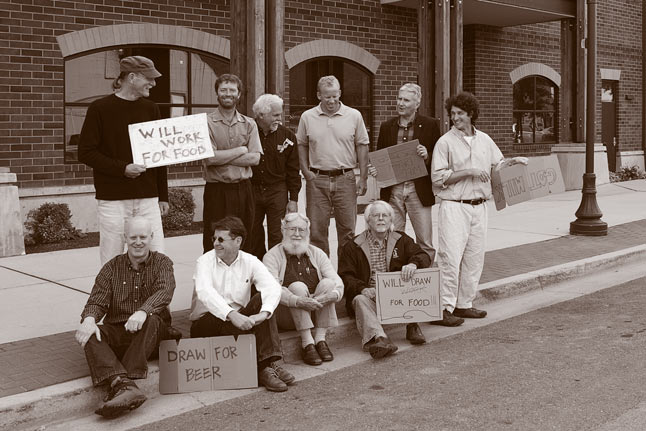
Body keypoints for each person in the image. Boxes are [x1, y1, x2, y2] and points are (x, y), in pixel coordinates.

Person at [430, 92, 528, 326]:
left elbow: (497, 166)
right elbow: (437, 178)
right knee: (450, 258)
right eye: (452, 114)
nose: (455, 118)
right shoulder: (445, 142)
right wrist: (469, 171)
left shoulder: (484, 139)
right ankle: (444, 307)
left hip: (479, 206)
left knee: (474, 258)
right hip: (455, 207)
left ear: (471, 114)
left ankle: (464, 304)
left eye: (460, 114)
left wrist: (513, 162)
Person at [75, 216, 177, 419]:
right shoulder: (111, 268)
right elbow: (97, 301)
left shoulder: (162, 263)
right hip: (121, 331)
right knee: (92, 333)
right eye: (133, 237)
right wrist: (89, 320)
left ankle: (123, 382)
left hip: (152, 333)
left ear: (151, 237)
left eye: (143, 236)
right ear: (125, 238)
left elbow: (165, 291)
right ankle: (123, 385)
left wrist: (143, 310)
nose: (138, 242)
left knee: (153, 318)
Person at [78, 56, 169, 265]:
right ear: (132, 77)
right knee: (112, 258)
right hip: (113, 199)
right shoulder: (99, 108)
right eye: (149, 78)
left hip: (148, 197)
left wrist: (162, 195)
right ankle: (112, 298)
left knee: (156, 256)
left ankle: (153, 298)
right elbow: (85, 152)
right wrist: (123, 168)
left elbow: (160, 155)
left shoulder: (151, 109)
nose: (153, 84)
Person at [189, 216, 294, 392]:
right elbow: (206, 293)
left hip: (238, 323)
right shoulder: (205, 261)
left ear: (238, 241)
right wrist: (231, 314)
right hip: (207, 323)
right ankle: (265, 367)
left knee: (263, 301)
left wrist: (263, 314)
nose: (216, 243)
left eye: (221, 239)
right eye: (214, 238)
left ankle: (268, 364)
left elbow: (273, 287)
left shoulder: (250, 260)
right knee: (229, 317)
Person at [338, 201, 432, 359]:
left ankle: (412, 326)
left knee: (413, 282)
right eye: (375, 215)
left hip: (396, 296)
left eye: (385, 215)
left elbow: (424, 256)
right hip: (370, 296)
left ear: (391, 220)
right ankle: (380, 338)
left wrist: (413, 263)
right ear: (368, 221)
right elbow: (345, 276)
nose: (380, 219)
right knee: (360, 300)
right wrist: (362, 288)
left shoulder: (401, 239)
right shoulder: (353, 245)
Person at [296, 75, 370, 257]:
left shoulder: (354, 116)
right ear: (318, 95)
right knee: (317, 232)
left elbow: (362, 146)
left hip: (345, 178)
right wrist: (306, 171)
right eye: (327, 96)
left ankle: (346, 276)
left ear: (340, 93)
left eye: (334, 95)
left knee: (347, 232)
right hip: (317, 180)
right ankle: (323, 276)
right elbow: (301, 145)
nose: (331, 100)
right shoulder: (307, 117)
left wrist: (363, 178)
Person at [263, 213, 344, 366]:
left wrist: (332, 295)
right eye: (292, 229)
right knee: (297, 287)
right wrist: (298, 301)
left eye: (302, 230)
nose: (297, 234)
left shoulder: (317, 253)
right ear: (283, 230)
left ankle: (320, 340)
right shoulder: (271, 257)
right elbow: (272, 289)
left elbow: (337, 281)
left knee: (328, 284)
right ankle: (307, 343)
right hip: (287, 315)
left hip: (315, 313)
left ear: (307, 232)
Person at [371, 83, 440, 259]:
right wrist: (376, 169)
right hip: (393, 189)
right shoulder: (387, 126)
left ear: (417, 104)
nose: (401, 103)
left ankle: (425, 279)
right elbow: (380, 155)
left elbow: (439, 155)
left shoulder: (431, 125)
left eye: (406, 100)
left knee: (424, 240)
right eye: (399, 99)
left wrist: (427, 155)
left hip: (418, 189)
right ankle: (394, 279)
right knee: (392, 237)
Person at [202, 74, 262, 254]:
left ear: (239, 94)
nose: (227, 94)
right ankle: (213, 280)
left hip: (243, 190)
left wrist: (220, 156)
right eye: (223, 90)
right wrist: (241, 150)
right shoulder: (205, 123)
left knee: (244, 238)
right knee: (214, 238)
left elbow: (255, 159)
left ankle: (242, 281)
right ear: (217, 93)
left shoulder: (249, 124)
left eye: (232, 90)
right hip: (216, 191)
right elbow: (209, 159)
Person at [249, 94, 301, 259]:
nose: (280, 119)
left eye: (280, 114)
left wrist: (293, 199)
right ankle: (257, 273)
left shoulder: (288, 137)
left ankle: (275, 272)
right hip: (251, 189)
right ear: (261, 115)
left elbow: (294, 171)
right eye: (276, 115)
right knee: (252, 233)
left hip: (277, 191)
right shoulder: (248, 132)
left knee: (277, 235)